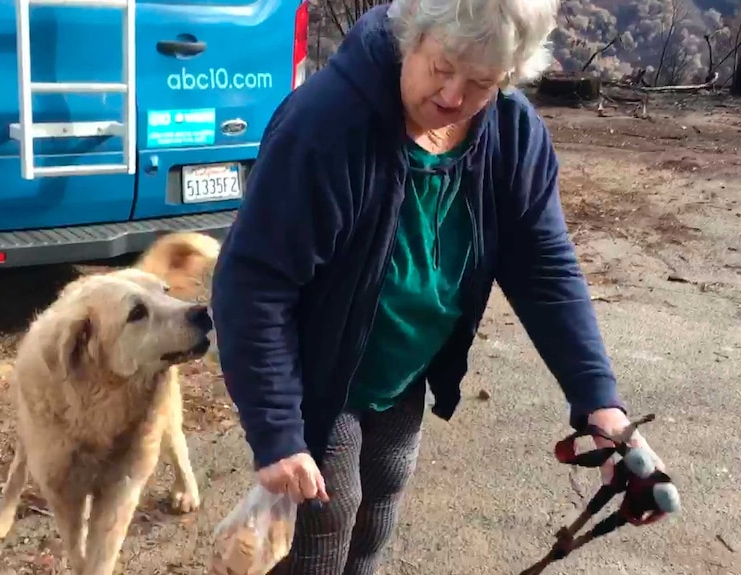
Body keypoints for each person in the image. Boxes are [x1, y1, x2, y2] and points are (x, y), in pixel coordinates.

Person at [209, 0, 669, 573]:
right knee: (327, 516)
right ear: (412, 37)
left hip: (404, 365)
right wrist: (277, 428)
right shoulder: (325, 128)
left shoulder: (510, 132)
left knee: (380, 501)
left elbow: (545, 267)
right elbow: (254, 283)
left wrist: (600, 405)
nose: (453, 97)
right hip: (319, 367)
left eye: (479, 82)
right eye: (441, 67)